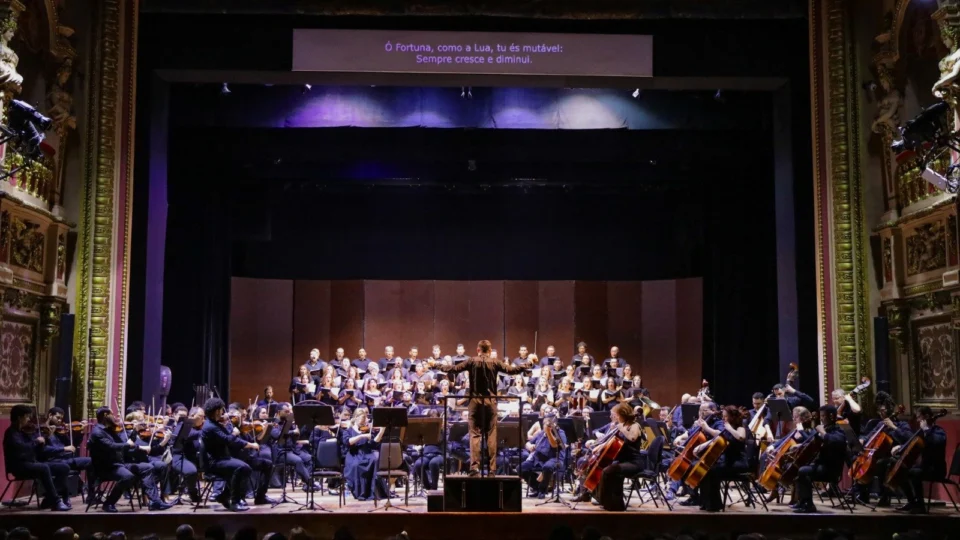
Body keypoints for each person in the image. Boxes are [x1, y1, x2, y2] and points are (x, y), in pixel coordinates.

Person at [429, 339, 532, 476]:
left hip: (475, 403)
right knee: (491, 436)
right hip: (490, 402)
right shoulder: (495, 362)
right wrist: (529, 363)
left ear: (478, 350)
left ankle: (474, 468)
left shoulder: (471, 361)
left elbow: (453, 369)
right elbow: (512, 370)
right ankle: (492, 470)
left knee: (475, 435)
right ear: (490, 351)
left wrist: (435, 364)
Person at [87, 407, 173, 512]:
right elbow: (113, 446)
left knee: (147, 468)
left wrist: (134, 431)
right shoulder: (98, 432)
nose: (114, 417)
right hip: (107, 467)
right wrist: (129, 444)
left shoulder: (109, 430)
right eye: (112, 414)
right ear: (105, 415)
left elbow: (129, 443)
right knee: (128, 477)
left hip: (118, 464)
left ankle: (155, 501)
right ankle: (109, 503)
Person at [571, 402, 643, 510]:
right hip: (622, 461)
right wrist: (599, 447)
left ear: (622, 414)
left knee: (608, 471)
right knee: (605, 469)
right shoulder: (621, 426)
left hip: (634, 463)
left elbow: (632, 437)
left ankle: (614, 504)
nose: (614, 417)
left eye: (616, 415)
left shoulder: (635, 426)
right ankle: (605, 501)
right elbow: (613, 441)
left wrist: (619, 427)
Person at [2, 405, 70, 511]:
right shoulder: (11, 433)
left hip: (31, 463)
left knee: (64, 467)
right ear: (20, 417)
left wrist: (46, 437)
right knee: (43, 468)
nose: (29, 419)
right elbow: (23, 449)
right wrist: (36, 441)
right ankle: (56, 501)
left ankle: (48, 499)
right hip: (19, 466)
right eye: (27, 416)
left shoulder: (23, 432)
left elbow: (37, 449)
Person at [200, 397, 261, 512]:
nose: (222, 413)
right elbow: (229, 440)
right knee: (242, 467)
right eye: (220, 410)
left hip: (222, 458)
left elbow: (233, 440)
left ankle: (224, 496)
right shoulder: (210, 427)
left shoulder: (216, 424)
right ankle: (234, 501)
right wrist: (234, 433)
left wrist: (249, 444)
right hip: (215, 462)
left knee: (244, 467)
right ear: (215, 411)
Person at [890, 406, 947, 514]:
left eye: (919, 417)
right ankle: (912, 502)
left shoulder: (939, 431)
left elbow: (936, 442)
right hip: (924, 467)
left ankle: (920, 506)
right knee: (900, 469)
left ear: (926, 417)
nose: (917, 420)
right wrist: (901, 447)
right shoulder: (922, 432)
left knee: (913, 473)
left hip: (936, 469)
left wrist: (926, 430)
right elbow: (913, 443)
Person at [792, 405, 848, 513]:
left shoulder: (838, 430)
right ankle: (803, 502)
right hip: (821, 466)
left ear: (831, 416)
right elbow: (814, 444)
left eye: (823, 416)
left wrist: (822, 432)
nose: (821, 418)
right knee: (799, 470)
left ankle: (809, 505)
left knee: (804, 471)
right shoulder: (827, 429)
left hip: (831, 469)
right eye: (820, 416)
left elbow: (836, 442)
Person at [338, 409, 386, 501]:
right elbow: (348, 442)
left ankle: (372, 492)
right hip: (354, 454)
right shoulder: (348, 431)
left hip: (366, 452)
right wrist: (361, 436)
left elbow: (373, 443)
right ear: (356, 417)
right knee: (356, 465)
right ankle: (359, 492)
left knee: (374, 460)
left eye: (366, 418)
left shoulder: (367, 430)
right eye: (363, 417)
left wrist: (381, 432)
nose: (365, 420)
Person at [521, 412, 567, 498]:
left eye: (547, 423)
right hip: (538, 459)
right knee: (521, 468)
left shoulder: (560, 433)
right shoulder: (541, 433)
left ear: (554, 423)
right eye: (544, 423)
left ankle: (542, 489)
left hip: (554, 459)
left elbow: (554, 445)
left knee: (547, 467)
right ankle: (537, 487)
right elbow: (528, 443)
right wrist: (530, 446)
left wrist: (549, 432)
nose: (544, 425)